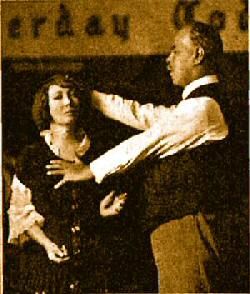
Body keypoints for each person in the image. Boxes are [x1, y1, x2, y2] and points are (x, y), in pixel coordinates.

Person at [46, 22, 237, 292]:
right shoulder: (194, 107)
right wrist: (89, 96)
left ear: (198, 55)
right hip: (180, 228)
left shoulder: (202, 108)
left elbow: (146, 142)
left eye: (176, 51)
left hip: (187, 230)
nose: (168, 59)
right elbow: (143, 114)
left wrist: (90, 170)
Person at [7, 74, 157, 293]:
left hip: (97, 267)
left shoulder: (103, 152)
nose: (68, 102)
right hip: (49, 272)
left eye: (73, 95)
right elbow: (21, 212)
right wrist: (48, 244)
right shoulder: (32, 157)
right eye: (58, 97)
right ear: (45, 107)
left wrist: (103, 213)